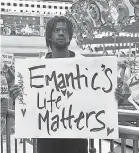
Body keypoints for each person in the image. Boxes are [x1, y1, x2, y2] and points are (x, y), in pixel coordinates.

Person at [9, 16, 124, 153]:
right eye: (57, 30)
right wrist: (16, 96)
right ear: (49, 36)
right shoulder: (36, 67)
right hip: (46, 143)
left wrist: (115, 98)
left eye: (65, 30)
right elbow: (29, 105)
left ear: (70, 36)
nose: (61, 33)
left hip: (76, 143)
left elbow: (98, 99)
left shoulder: (84, 65)